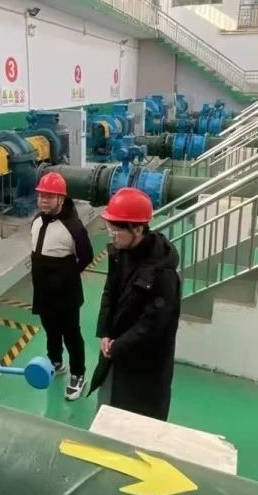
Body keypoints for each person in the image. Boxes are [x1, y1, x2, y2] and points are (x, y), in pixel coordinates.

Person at [88, 188, 181, 421]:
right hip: (116, 351)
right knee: (108, 408)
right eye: (110, 227)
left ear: (138, 229)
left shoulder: (162, 274)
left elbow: (152, 325)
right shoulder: (120, 252)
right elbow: (109, 291)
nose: (111, 235)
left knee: (136, 421)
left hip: (144, 366)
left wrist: (117, 346)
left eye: (116, 229)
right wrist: (105, 333)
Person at [31, 172, 94, 400]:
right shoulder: (37, 220)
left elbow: (87, 256)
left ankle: (78, 374)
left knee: (71, 334)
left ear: (61, 198)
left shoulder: (73, 227)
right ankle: (55, 361)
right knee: (51, 330)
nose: (44, 200)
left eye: (49, 196)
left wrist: (67, 275)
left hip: (66, 293)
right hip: (42, 290)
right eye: (41, 196)